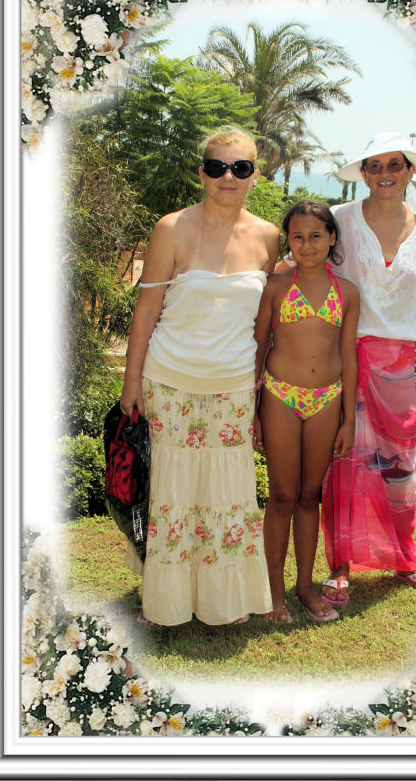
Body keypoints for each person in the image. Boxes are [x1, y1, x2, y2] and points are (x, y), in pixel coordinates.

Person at [120, 126, 279, 626]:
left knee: (226, 499)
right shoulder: (171, 228)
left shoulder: (269, 237)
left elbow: (267, 320)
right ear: (202, 173)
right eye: (216, 166)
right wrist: (131, 381)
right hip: (170, 381)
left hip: (233, 387)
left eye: (240, 167)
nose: (228, 176)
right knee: (172, 496)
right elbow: (147, 310)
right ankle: (165, 603)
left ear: (255, 175)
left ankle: (223, 602)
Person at [319, 132, 416, 605]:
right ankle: (340, 567)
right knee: (343, 463)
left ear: (410, 171)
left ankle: (406, 562)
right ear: (363, 173)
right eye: (374, 166)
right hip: (342, 358)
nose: (384, 174)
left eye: (394, 164)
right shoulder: (339, 220)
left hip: (398, 365)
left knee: (401, 469)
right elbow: (304, 265)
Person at [253, 201, 359, 623]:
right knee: (282, 494)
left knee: (309, 495)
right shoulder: (276, 287)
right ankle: (273, 590)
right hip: (280, 396)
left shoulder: (347, 292)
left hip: (327, 400)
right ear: (288, 240)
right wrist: (253, 411)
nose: (306, 244)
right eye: (297, 237)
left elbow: (348, 357)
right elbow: (258, 349)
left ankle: (304, 586)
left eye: (316, 235)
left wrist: (349, 419)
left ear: (332, 237)